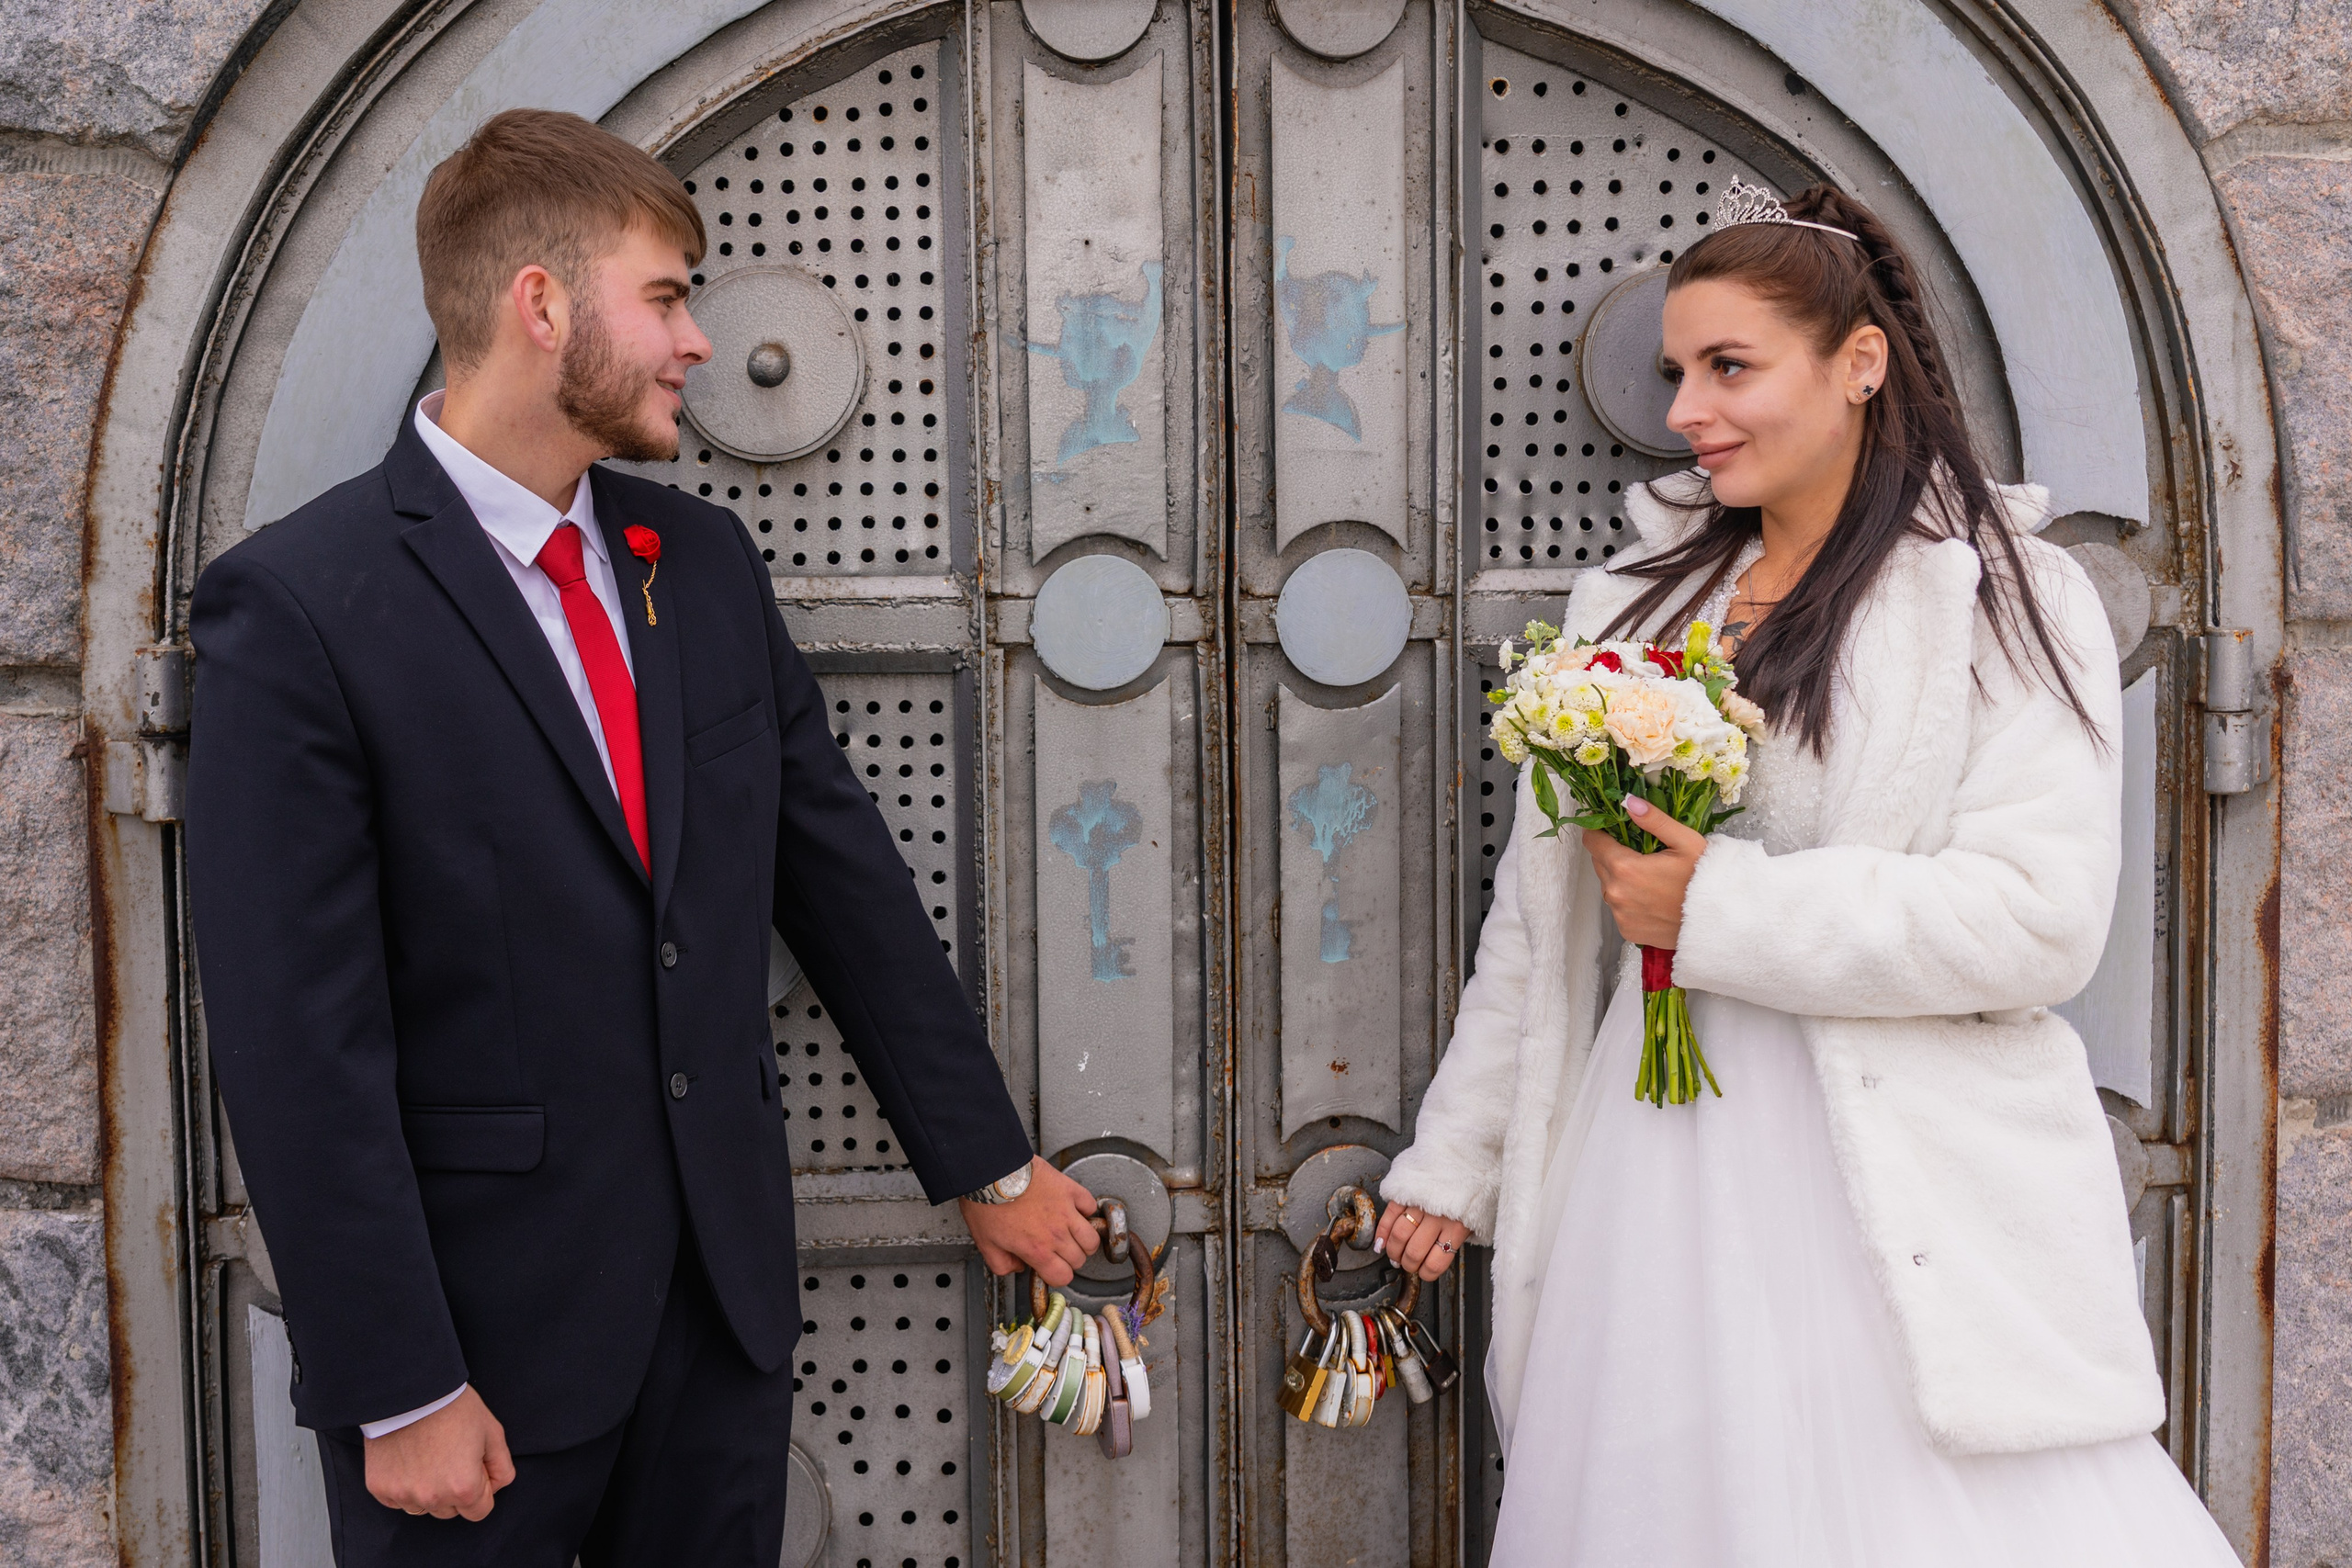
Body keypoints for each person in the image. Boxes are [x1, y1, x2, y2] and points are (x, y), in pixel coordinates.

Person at [186, 108, 1100, 1566]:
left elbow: (840, 878)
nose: (695, 343)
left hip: (718, 1327)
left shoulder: (706, 565)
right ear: (538, 305)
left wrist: (985, 1165)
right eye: (666, 296)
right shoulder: (297, 610)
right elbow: (298, 1039)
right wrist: (398, 1380)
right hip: (475, 1363)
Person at [1372, 181, 2243, 1565]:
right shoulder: (1633, 609)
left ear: (1858, 364)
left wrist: (1714, 909)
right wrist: (1455, 1161)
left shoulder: (2001, 597)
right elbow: (1542, 936)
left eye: (1731, 367)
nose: (1687, 414)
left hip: (1902, 1187)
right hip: (1657, 1162)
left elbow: (2038, 921)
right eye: (1677, 375)